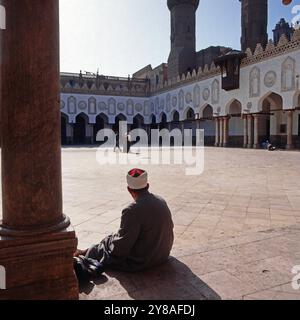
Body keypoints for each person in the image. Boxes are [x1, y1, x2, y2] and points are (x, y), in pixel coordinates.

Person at [74, 168, 174, 282]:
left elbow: (121, 247)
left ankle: (84, 253)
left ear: (128, 189)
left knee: (102, 248)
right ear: (148, 185)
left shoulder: (132, 209)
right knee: (111, 239)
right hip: (162, 255)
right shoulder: (161, 200)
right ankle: (86, 251)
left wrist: (108, 243)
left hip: (143, 260)